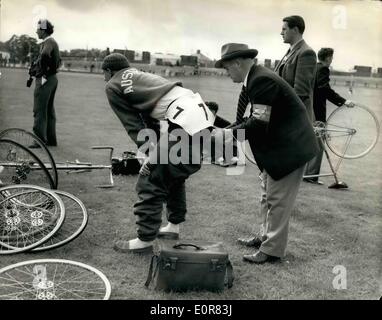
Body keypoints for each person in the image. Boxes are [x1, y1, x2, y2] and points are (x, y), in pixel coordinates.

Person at [214, 43, 319, 264]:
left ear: (238, 63)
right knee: (266, 196)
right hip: (279, 148)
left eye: (227, 68)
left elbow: (259, 122)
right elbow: (253, 118)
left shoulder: (261, 80)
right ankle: (265, 237)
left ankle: (271, 250)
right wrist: (229, 130)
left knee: (277, 200)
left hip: (289, 150)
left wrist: (229, 135)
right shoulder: (254, 79)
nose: (227, 73)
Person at [102, 53, 217, 253]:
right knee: (173, 174)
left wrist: (150, 155)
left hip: (185, 119)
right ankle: (173, 227)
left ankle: (144, 240)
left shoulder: (113, 84)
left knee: (150, 178)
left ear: (108, 71)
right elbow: (150, 119)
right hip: (200, 113)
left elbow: (133, 123)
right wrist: (154, 150)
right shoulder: (140, 75)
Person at [304, 48, 355, 184]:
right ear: (327, 58)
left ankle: (306, 175)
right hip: (316, 112)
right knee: (319, 143)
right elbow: (324, 89)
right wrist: (343, 101)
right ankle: (311, 176)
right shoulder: (323, 69)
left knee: (310, 141)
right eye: (331, 57)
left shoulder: (314, 67)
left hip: (309, 110)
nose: (332, 59)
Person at [274, 15, 317, 123]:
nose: (281, 33)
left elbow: (300, 92)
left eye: (284, 29)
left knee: (243, 131)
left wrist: (274, 102)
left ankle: (239, 138)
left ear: (295, 30)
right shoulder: (291, 51)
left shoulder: (306, 53)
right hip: (287, 116)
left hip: (296, 120)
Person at [28, 19, 61, 148]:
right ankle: (51, 140)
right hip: (51, 78)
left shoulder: (49, 42)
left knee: (39, 110)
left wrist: (43, 71)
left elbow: (46, 55)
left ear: (43, 30)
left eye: (38, 29)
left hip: (45, 79)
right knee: (48, 110)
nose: (36, 31)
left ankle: (39, 140)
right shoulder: (50, 42)